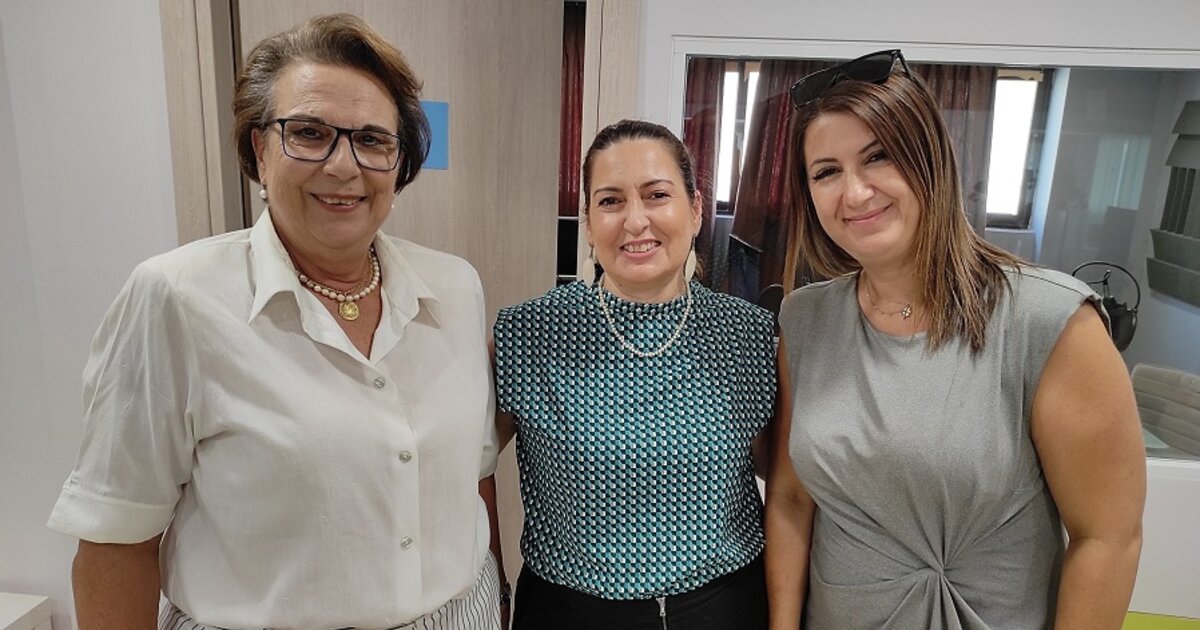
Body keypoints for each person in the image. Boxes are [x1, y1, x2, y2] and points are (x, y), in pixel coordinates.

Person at [47, 14, 502, 630]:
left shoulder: (455, 287)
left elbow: (473, 474)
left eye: (373, 140)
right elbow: (115, 538)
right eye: (309, 133)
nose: (344, 166)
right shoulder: (176, 299)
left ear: (400, 163)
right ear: (260, 150)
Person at [764, 49, 1146, 629]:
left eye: (879, 156)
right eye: (827, 172)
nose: (855, 193)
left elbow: (1108, 537)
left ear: (931, 160)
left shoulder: (1048, 320)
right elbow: (793, 498)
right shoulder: (807, 319)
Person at [491, 119, 777, 629]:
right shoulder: (529, 333)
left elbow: (787, 482)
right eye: (610, 201)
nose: (635, 220)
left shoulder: (747, 334)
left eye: (656, 195)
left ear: (695, 210)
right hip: (570, 612)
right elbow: (465, 468)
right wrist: (494, 584)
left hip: (723, 608)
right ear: (588, 222)